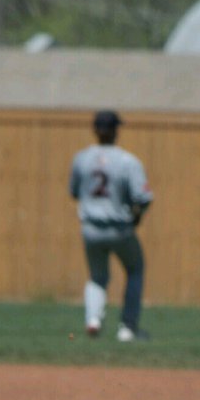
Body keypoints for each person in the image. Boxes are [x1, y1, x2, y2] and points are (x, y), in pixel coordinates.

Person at [69, 109, 153, 341]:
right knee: (135, 270)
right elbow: (143, 198)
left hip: (91, 228)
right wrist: (137, 217)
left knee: (97, 277)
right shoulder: (127, 160)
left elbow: (74, 192)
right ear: (116, 131)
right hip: (119, 227)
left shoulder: (81, 158)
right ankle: (127, 328)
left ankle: (93, 320)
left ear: (95, 130)